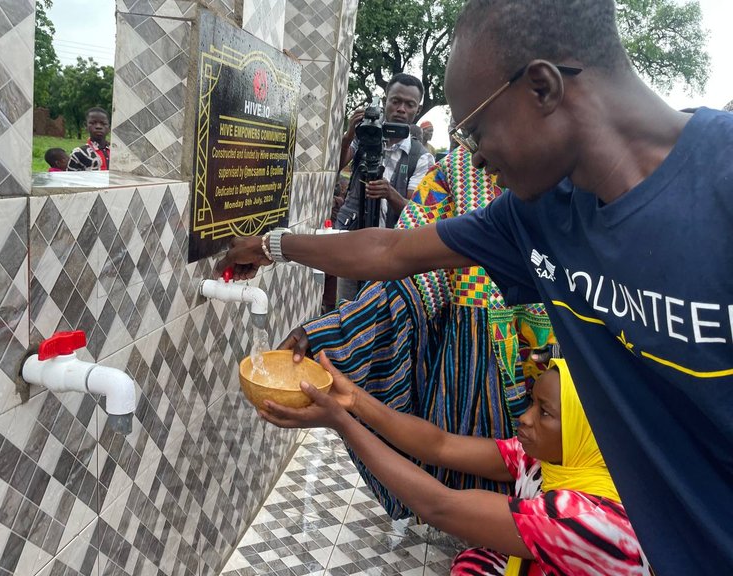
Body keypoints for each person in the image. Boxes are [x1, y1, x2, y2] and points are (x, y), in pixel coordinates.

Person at [216, 1, 733, 571]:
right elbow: (390, 251)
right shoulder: (535, 214)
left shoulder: (721, 181)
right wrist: (271, 245)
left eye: (479, 129)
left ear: (542, 87)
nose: (478, 158)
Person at [281, 145, 555, 519]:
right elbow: (402, 253)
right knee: (464, 464)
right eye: (466, 132)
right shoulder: (458, 169)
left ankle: (535, 537)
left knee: (552, 467)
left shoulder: (578, 178)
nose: (474, 147)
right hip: (467, 348)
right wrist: (332, 329)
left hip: (555, 363)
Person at [261, 354, 651, 575]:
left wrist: (340, 423)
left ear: (588, 429)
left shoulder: (584, 516)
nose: (525, 419)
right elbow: (441, 446)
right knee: (475, 563)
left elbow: (438, 506)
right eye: (533, 402)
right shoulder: (553, 461)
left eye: (545, 412)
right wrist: (355, 402)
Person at [335, 73, 434, 299]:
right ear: (385, 100)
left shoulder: (421, 158)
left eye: (409, 105)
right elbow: (335, 167)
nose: (401, 109)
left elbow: (416, 212)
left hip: (391, 255)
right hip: (353, 246)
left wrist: (390, 194)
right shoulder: (363, 138)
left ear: (417, 110)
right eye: (395, 101)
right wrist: (349, 136)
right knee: (345, 310)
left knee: (380, 319)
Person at [67, 107, 110, 171]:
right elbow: (71, 178)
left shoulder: (118, 151)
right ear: (85, 126)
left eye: (103, 123)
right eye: (93, 123)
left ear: (109, 127)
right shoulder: (79, 153)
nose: (98, 126)